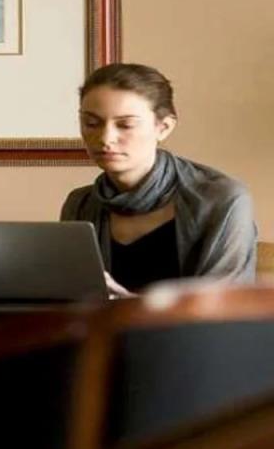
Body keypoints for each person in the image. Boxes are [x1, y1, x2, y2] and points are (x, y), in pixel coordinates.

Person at [60, 63, 256, 297]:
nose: (105, 138)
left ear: (163, 127)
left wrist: (128, 304)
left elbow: (222, 307)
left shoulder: (222, 198)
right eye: (91, 123)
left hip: (189, 324)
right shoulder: (80, 204)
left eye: (126, 125)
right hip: (103, 323)